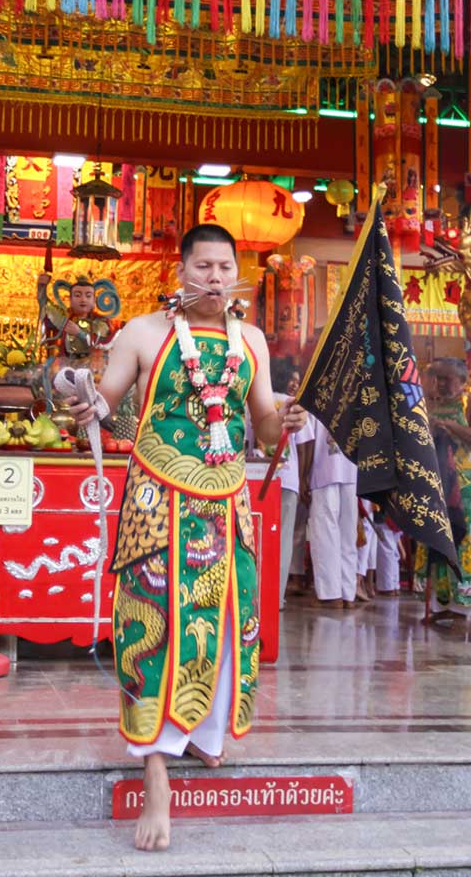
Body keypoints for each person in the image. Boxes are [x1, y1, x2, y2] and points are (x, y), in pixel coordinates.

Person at [69, 224, 307, 851]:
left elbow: (260, 425)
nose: (215, 278)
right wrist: (87, 405)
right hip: (158, 498)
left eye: (225, 267)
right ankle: (154, 774)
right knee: (153, 623)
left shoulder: (250, 337)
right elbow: (109, 402)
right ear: (181, 270)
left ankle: (201, 731)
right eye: (203, 266)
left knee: (228, 621)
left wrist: (284, 417)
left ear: (237, 272)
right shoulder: (142, 332)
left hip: (227, 501)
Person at [420, 357, 471, 622]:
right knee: (441, 547)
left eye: (447, 378)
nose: (441, 383)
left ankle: (463, 610)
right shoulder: (431, 405)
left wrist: (452, 427)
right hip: (440, 487)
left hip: (467, 490)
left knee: (466, 549)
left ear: (463, 381)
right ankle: (441, 606)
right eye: (437, 378)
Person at [248, 362, 314, 610]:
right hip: (287, 479)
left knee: (256, 537)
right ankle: (275, 599)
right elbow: (306, 444)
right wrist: (305, 476)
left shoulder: (253, 402)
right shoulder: (291, 404)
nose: (295, 384)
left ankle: (254, 594)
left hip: (257, 476)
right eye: (293, 379)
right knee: (283, 540)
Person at [307, 416, 359, 609]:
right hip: (352, 471)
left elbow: (309, 439)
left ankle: (330, 595)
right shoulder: (357, 392)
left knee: (325, 530)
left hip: (324, 469)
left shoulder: (318, 392)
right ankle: (348, 593)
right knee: (348, 533)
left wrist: (304, 475)